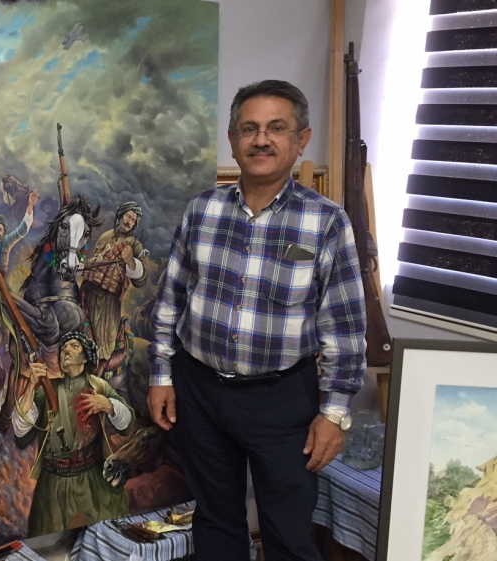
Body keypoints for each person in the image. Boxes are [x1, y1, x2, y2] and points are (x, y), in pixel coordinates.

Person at [149, 80, 366, 561]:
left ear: (301, 139)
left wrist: (334, 414)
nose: (261, 140)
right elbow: (170, 300)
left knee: (288, 533)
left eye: (276, 128)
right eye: (249, 129)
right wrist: (162, 375)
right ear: (233, 141)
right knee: (215, 520)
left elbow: (345, 329)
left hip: (282, 400)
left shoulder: (327, 223)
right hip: (199, 391)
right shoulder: (202, 211)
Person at [12, 331, 134, 537]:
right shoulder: (46, 389)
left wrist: (107, 404)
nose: (66, 350)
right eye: (63, 349)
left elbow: (127, 423)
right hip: (53, 484)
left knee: (110, 536)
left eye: (74, 346)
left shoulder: (98, 386)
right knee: (49, 542)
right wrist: (31, 385)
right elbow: (21, 430)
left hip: (93, 481)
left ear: (85, 357)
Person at [81, 201, 149, 362]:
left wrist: (130, 261)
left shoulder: (135, 245)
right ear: (120, 215)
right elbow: (92, 263)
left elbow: (142, 279)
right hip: (89, 292)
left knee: (105, 343)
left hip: (109, 300)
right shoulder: (105, 236)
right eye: (128, 216)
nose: (129, 221)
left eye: (133, 220)